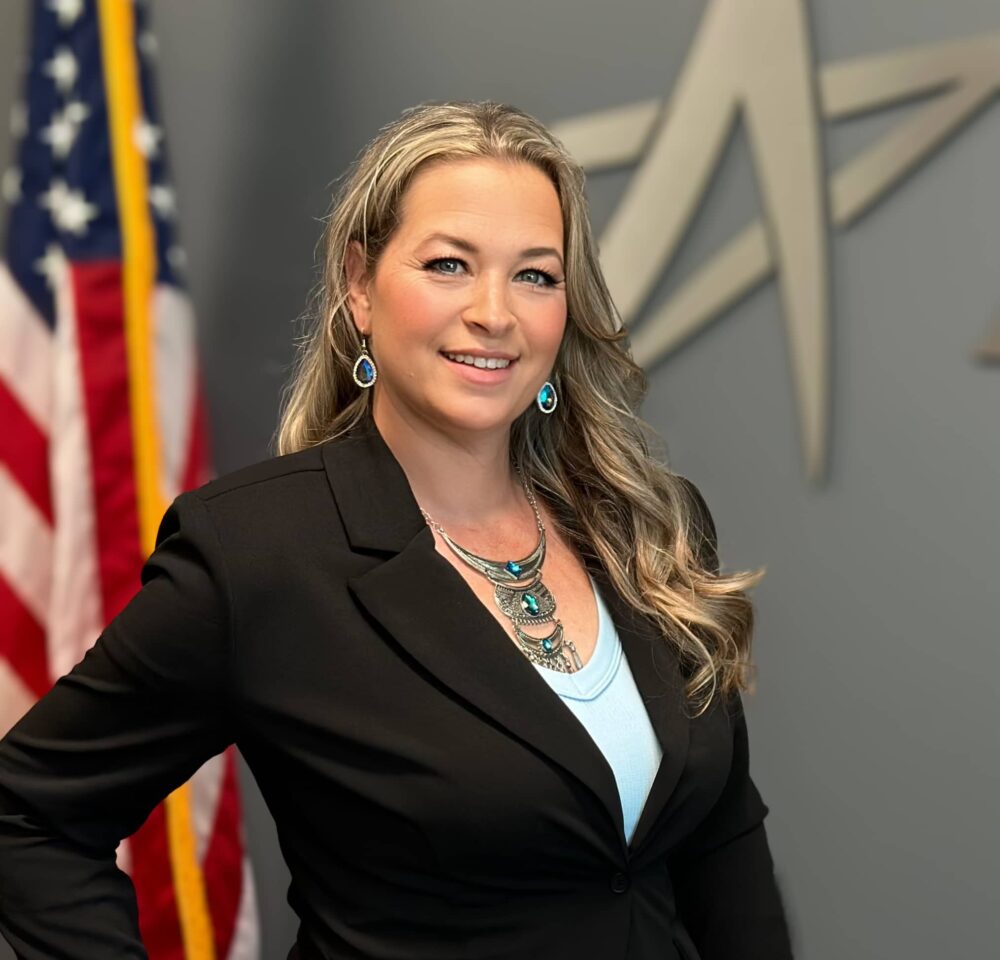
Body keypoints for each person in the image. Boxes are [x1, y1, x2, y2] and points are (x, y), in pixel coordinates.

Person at [0, 99, 794, 960]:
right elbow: (27, 815)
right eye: (450, 264)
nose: (495, 313)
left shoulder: (648, 527)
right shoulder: (259, 552)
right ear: (359, 285)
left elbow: (722, 845)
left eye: (535, 275)